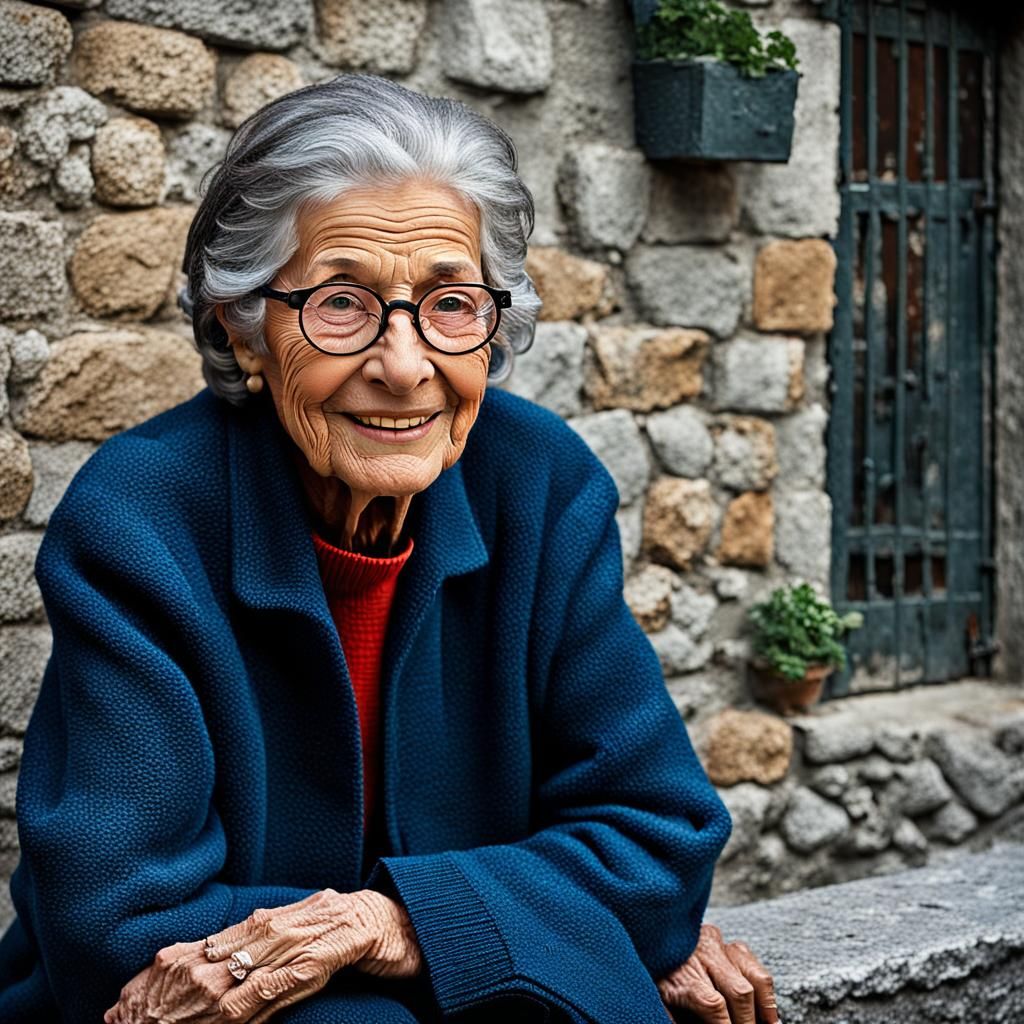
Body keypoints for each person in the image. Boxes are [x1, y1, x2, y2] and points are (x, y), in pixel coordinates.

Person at [0, 73, 779, 1024]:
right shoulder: (142, 519)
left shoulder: (541, 484)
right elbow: (119, 925)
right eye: (340, 304)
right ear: (238, 328)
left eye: (452, 303)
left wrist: (392, 922)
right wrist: (548, 925)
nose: (405, 366)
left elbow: (660, 847)